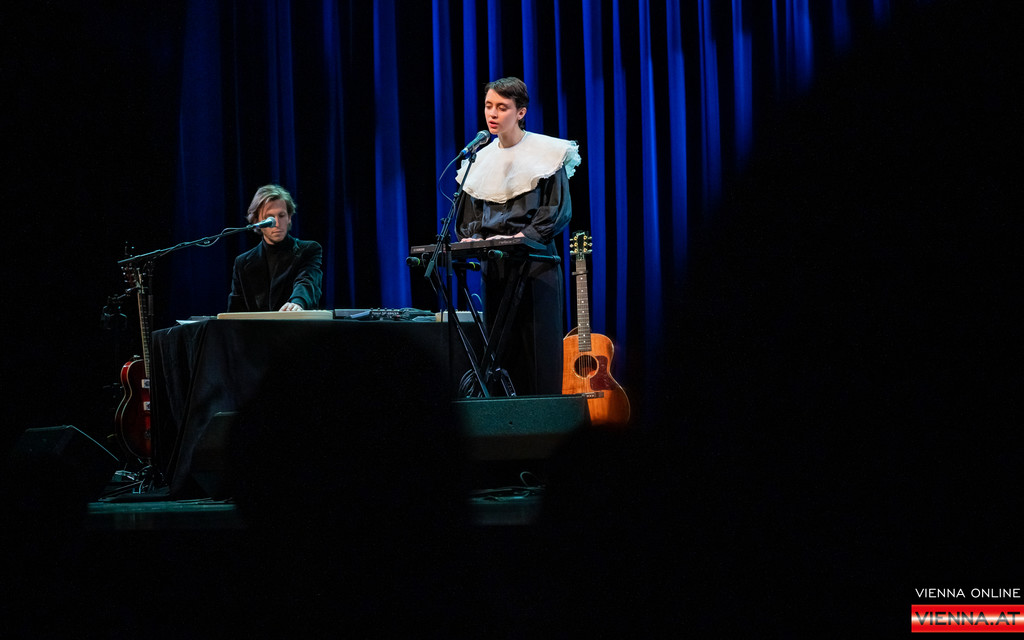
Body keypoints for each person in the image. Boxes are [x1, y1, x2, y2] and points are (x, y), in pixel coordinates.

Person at [456, 77, 580, 395]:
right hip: (496, 265)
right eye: (488, 106)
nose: (492, 113)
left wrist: (524, 236)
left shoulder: (547, 153)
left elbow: (557, 210)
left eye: (502, 107)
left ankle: (543, 421)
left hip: (536, 264)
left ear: (520, 112)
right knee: (500, 350)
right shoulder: (480, 159)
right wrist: (473, 237)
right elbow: (470, 217)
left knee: (537, 351)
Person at [227, 184, 323, 312]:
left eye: (281, 215)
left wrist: (297, 302)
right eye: (269, 218)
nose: (277, 223)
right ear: (257, 221)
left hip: (295, 323)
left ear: (289, 218)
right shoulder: (242, 262)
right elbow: (235, 310)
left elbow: (307, 280)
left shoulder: (308, 250)